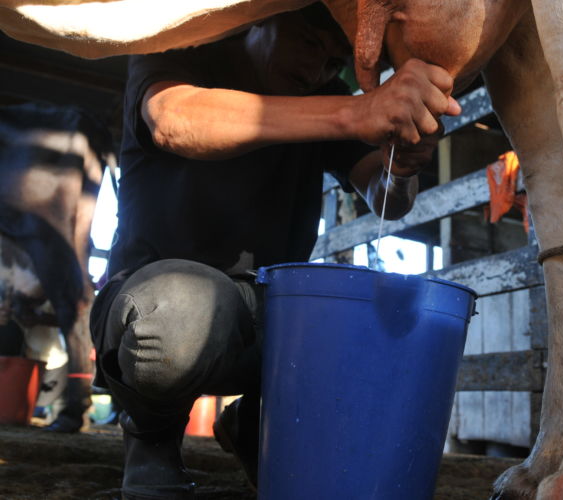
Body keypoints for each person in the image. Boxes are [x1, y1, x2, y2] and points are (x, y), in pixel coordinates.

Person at [89, 3, 460, 499]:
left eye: (332, 62)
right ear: (258, 18)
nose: (316, 69)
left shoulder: (321, 95)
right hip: (154, 303)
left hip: (271, 313)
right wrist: (357, 111)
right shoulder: (182, 52)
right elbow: (170, 120)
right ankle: (151, 434)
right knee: (176, 311)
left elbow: (385, 199)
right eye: (308, 44)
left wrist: (404, 166)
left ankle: (259, 423)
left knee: (367, 321)